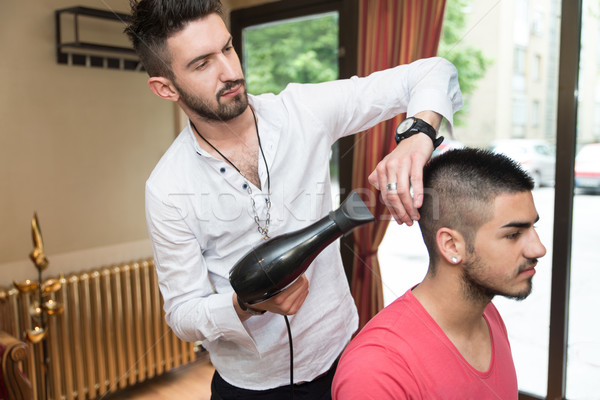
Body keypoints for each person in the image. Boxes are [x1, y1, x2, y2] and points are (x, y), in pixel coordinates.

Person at [125, 0, 462, 398]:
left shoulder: (302, 112)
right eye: (202, 64)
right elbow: (182, 313)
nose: (231, 71)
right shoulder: (166, 188)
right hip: (250, 386)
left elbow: (432, 71)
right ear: (165, 87)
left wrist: (417, 136)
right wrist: (244, 306)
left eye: (228, 48)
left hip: (343, 359)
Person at [332, 148, 547, 400]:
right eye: (513, 234)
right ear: (451, 245)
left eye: (533, 227)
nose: (538, 248)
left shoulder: (488, 315)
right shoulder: (376, 370)